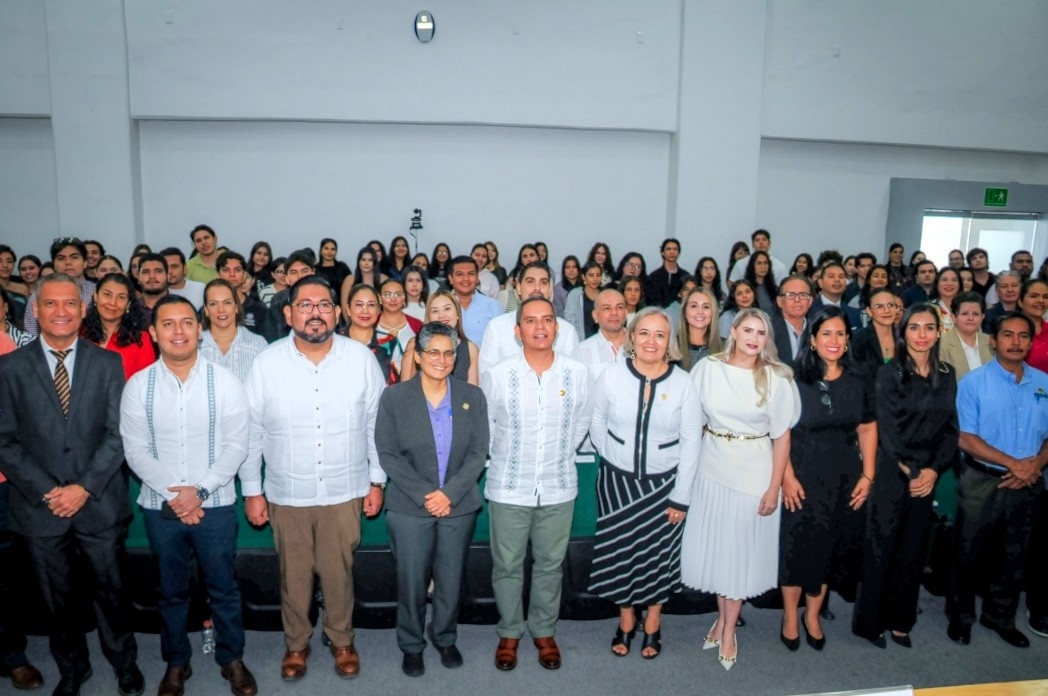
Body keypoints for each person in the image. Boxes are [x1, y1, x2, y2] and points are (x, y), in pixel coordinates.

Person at [0, 274, 144, 696]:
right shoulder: (9, 368)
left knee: (112, 593)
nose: (60, 311)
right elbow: (4, 440)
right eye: (50, 303)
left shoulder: (108, 363)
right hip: (39, 507)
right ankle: (72, 669)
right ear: (36, 310)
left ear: (83, 309)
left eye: (69, 303)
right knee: (56, 598)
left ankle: (125, 664)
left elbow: (119, 434)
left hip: (98, 502)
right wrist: (49, 492)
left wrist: (83, 487)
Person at [241, 276, 386, 682]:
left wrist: (377, 480)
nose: (315, 313)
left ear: (337, 313)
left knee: (339, 573)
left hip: (345, 488)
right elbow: (251, 431)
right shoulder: (267, 363)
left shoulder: (360, 358)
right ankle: (296, 644)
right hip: (288, 492)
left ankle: (342, 639)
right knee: (295, 576)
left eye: (323, 305)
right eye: (305, 305)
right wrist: (252, 490)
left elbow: (377, 424)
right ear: (289, 314)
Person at [120, 295, 257, 696]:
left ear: (199, 329)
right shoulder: (138, 386)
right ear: (153, 332)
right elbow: (135, 450)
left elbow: (236, 445)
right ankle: (177, 662)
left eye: (186, 322)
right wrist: (178, 496)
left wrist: (198, 491)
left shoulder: (226, 382)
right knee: (171, 590)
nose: (178, 331)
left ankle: (231, 659)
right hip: (159, 506)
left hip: (215, 505)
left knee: (223, 587)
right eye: (168, 324)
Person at [680, 308, 795, 670]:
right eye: (748, 330)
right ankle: (721, 619)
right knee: (721, 552)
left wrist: (774, 487)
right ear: (733, 331)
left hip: (754, 474)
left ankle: (729, 630)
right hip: (711, 470)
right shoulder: (708, 368)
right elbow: (692, 424)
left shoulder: (777, 377)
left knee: (739, 555)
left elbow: (782, 437)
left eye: (761, 333)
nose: (754, 338)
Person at [482, 297, 591, 672]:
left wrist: (560, 453)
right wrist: (509, 457)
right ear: (518, 331)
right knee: (507, 566)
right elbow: (487, 426)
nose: (540, 327)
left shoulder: (577, 373)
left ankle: (544, 630)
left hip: (558, 484)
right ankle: (510, 632)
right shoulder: (499, 375)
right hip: (509, 486)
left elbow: (582, 421)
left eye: (547, 320)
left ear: (557, 328)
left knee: (550, 565)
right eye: (531, 321)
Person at [375, 322, 489, 677]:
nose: (442, 359)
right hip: (410, 506)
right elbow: (388, 453)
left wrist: (448, 494)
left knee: (450, 578)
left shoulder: (473, 396)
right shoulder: (394, 398)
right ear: (419, 357)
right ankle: (411, 644)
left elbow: (478, 453)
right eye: (434, 352)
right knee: (411, 580)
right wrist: (428, 497)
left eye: (449, 353)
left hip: (458, 504)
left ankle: (444, 637)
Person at [588, 308, 700, 658]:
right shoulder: (611, 376)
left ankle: (652, 621)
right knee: (621, 553)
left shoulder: (684, 383)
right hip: (617, 484)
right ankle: (625, 620)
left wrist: (681, 496)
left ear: (670, 342)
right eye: (644, 333)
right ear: (632, 337)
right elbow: (596, 421)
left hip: (664, 486)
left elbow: (692, 442)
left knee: (657, 555)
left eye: (660, 335)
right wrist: (612, 456)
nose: (652, 341)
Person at [852, 303, 958, 648]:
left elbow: (951, 430)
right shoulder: (890, 371)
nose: (922, 335)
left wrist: (932, 470)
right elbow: (888, 428)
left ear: (938, 333)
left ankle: (901, 619)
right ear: (903, 332)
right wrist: (913, 471)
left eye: (929, 327)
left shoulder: (947, 373)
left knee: (913, 550)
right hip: (892, 471)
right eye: (914, 327)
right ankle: (871, 623)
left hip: (927, 474)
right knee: (881, 546)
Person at [946, 312, 1048, 648]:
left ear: (1030, 343)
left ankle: (999, 616)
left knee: (1015, 553)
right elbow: (965, 437)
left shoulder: (1044, 383)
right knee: (968, 550)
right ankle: (960, 617)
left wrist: (1033, 466)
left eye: (1023, 336)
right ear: (994, 341)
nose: (1015, 342)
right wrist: (1013, 465)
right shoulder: (973, 383)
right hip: (983, 479)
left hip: (1029, 481)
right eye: (1008, 335)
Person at [779, 306, 876, 652]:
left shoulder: (859, 379)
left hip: (844, 476)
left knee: (828, 548)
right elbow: (780, 432)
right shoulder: (792, 379)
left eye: (840, 334)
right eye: (826, 334)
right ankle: (790, 616)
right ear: (813, 339)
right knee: (797, 547)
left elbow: (867, 427)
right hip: (801, 475)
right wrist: (786, 477)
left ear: (848, 340)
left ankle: (813, 615)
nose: (833, 340)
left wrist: (868, 474)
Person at [479, 263, 579, 375]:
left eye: (543, 282)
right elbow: (486, 376)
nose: (537, 288)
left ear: (550, 289)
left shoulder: (567, 330)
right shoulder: (497, 327)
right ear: (518, 288)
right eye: (530, 282)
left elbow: (574, 376)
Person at [81, 273, 155, 379]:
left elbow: (147, 383)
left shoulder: (140, 339)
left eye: (121, 297)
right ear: (95, 296)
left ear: (128, 304)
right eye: (107, 294)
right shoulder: (80, 332)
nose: (112, 303)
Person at [400, 290, 480, 385]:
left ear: (458, 314)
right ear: (429, 317)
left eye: (447, 309)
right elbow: (405, 388)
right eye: (435, 311)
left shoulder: (471, 349)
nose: (441, 315)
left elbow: (472, 390)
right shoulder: (414, 344)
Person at [23, 238, 97, 338]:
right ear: (54, 264)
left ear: (85, 262)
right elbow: (30, 336)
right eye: (61, 258)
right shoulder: (38, 295)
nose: (68, 262)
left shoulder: (97, 292)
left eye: (74, 257)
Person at [199, 279, 270, 381]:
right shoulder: (195, 344)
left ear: (236, 307)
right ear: (206, 310)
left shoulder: (257, 344)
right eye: (213, 304)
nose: (221, 310)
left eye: (227, 303)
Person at [344, 284, 401, 385]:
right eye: (359, 304)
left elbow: (397, 385)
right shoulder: (334, 341)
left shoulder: (390, 343)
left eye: (371, 305)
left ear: (378, 310)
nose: (365, 311)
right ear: (348, 309)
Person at [217, 251, 275, 343]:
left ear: (244, 275)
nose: (232, 274)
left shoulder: (260, 309)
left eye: (237, 270)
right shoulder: (209, 309)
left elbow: (267, 342)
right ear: (218, 275)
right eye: (226, 270)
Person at [444, 255, 500, 347]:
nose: (466, 278)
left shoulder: (494, 306)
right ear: (451, 279)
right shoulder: (440, 306)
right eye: (460, 274)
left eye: (471, 274)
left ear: (477, 277)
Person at [939, 292, 993, 380]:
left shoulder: (991, 342)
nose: (970, 318)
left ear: (982, 317)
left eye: (975, 314)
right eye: (965, 314)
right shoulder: (941, 344)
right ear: (953, 317)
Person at [577, 288, 628, 380]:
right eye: (607, 308)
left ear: (626, 313)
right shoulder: (581, 351)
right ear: (595, 315)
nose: (614, 313)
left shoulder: (640, 346)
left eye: (619, 307)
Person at [377, 277, 422, 373]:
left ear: (404, 298)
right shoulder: (371, 324)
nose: (393, 299)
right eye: (387, 294)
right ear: (380, 299)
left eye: (398, 294)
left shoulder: (417, 325)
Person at [851, 288, 899, 369]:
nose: (887, 310)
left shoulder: (904, 336)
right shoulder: (857, 339)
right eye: (879, 306)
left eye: (891, 305)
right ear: (869, 311)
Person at [677, 287, 722, 371]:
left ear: (713, 313)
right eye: (694, 306)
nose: (700, 312)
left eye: (706, 307)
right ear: (684, 312)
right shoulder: (671, 347)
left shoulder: (725, 347)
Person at [772, 275, 814, 364]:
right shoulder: (768, 331)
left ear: (810, 301)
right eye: (791, 295)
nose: (797, 300)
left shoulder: (817, 330)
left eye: (803, 295)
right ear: (779, 301)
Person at [810, 262, 862, 331]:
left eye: (841, 277)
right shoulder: (808, 310)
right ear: (820, 283)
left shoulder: (854, 313)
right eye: (831, 276)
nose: (837, 280)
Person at [564, 261, 604, 341]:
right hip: (580, 340)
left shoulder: (605, 295)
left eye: (598, 275)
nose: (595, 279)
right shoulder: (574, 294)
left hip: (603, 340)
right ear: (583, 277)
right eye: (591, 275)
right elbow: (570, 320)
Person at [1018, 279, 1048, 373]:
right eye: (1034, 296)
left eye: (1045, 297)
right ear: (1020, 302)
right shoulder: (1012, 332)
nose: (1041, 301)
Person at [645, 239, 684, 309]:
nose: (672, 252)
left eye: (675, 249)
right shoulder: (653, 277)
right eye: (668, 249)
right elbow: (650, 300)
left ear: (678, 253)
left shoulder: (685, 276)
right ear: (662, 253)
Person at [744, 251, 777, 315]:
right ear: (752, 266)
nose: (763, 266)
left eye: (765, 263)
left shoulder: (774, 288)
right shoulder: (747, 288)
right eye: (759, 263)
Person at [931, 266, 961, 333]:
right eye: (944, 280)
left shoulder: (968, 306)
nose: (949, 283)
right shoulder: (929, 307)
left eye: (954, 280)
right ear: (937, 283)